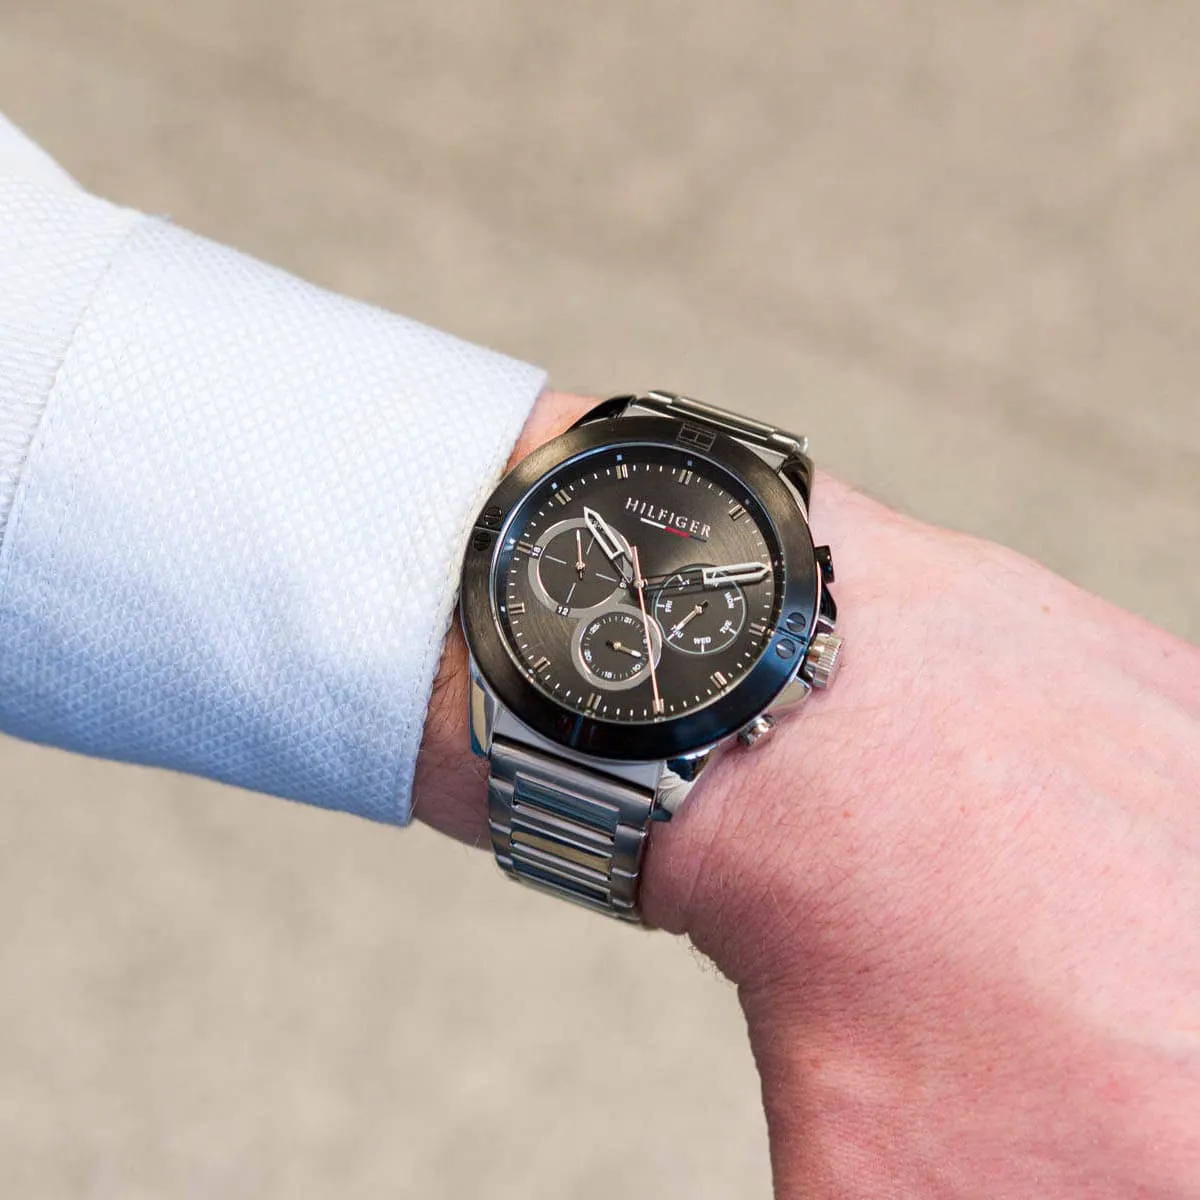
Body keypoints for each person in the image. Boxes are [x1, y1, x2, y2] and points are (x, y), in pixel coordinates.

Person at [2, 115, 1197, 1197]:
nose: (639, 588)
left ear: (806, 649)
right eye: (625, 572)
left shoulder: (741, 655)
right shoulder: (570, 532)